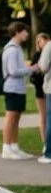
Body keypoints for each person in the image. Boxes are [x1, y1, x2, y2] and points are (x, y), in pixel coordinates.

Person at [1, 21, 38, 160]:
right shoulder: (11, 49)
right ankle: (6, 149)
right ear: (17, 32)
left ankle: (14, 147)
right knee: (11, 118)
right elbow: (13, 71)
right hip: (12, 88)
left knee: (16, 118)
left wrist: (26, 68)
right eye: (24, 31)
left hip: (18, 89)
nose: (27, 34)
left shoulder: (17, 48)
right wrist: (31, 69)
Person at [36, 32, 51, 165]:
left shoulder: (48, 46)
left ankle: (49, 153)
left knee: (49, 120)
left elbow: (43, 66)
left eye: (39, 42)